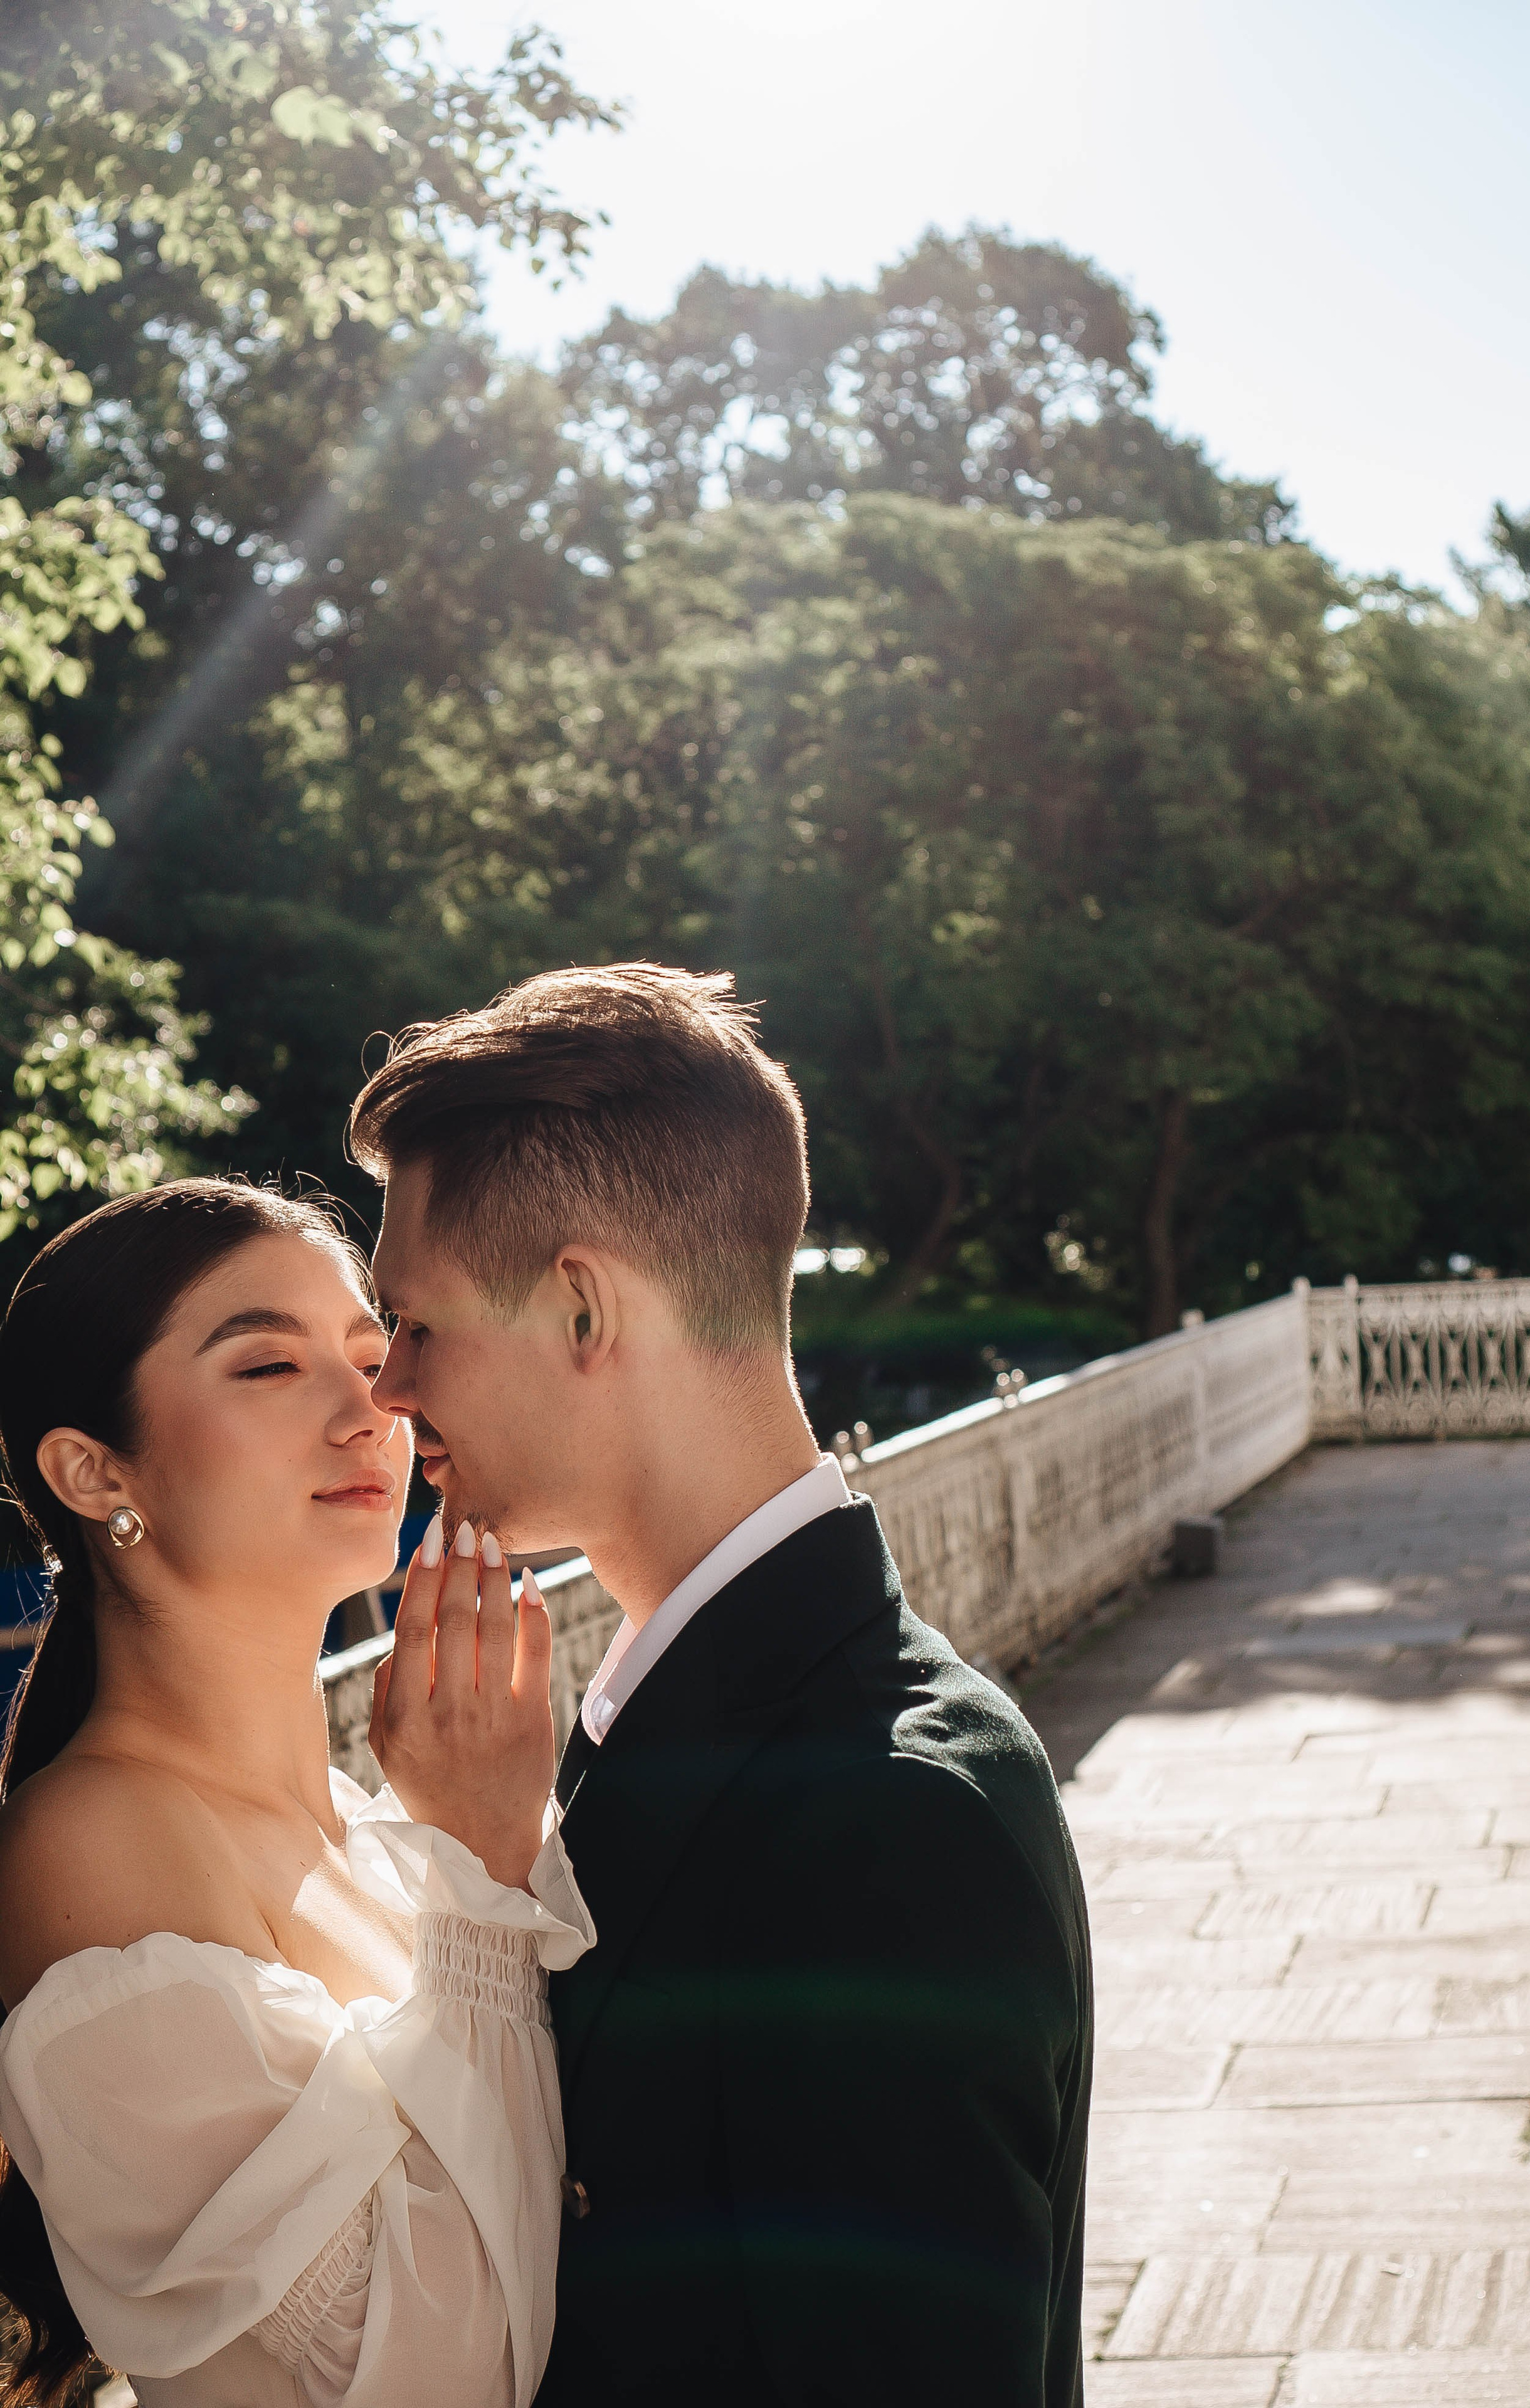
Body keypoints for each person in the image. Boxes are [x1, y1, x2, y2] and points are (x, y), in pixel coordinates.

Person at [354, 961, 1094, 2408]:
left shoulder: (890, 1822)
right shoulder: (686, 1725)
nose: (385, 1386)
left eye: (417, 1324)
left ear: (581, 1312)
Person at [0, 1180, 593, 2408]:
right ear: (93, 1470)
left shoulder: (366, 1823)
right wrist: (481, 1858)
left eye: (373, 1356)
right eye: (269, 1367)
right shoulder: (91, 1849)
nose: (367, 1409)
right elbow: (450, 2375)